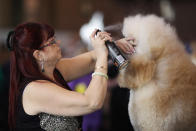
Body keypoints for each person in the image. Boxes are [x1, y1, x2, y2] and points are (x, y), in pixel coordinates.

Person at [6, 22, 133, 131]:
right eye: (52, 42)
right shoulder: (34, 90)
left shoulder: (55, 70)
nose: (58, 42)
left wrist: (115, 46)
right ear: (38, 55)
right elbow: (91, 102)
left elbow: (90, 60)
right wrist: (101, 57)